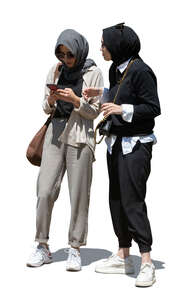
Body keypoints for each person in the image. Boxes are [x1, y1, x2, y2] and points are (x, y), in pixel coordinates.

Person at [83, 23, 161, 287]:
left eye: (103, 44)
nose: (101, 48)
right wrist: (102, 94)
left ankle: (147, 261)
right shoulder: (115, 68)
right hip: (115, 143)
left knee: (132, 200)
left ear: (117, 45)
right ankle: (123, 254)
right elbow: (119, 96)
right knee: (116, 198)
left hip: (136, 146)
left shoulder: (141, 70)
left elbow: (152, 107)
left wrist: (121, 109)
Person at [26, 29, 103, 271]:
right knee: (45, 190)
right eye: (62, 54)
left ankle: (75, 248)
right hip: (55, 133)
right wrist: (50, 101)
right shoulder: (56, 70)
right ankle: (42, 245)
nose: (66, 60)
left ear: (79, 51)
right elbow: (45, 107)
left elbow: (95, 111)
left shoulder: (93, 73)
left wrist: (75, 100)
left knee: (78, 195)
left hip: (80, 136)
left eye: (70, 54)